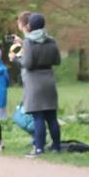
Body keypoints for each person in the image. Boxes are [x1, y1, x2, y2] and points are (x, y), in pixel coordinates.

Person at [18, 12, 61, 157]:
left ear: (30, 26)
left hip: (34, 81)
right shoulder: (51, 40)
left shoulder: (29, 42)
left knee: (38, 117)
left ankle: (39, 148)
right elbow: (57, 60)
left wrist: (17, 59)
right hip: (48, 79)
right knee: (51, 117)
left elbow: (27, 63)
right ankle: (56, 146)